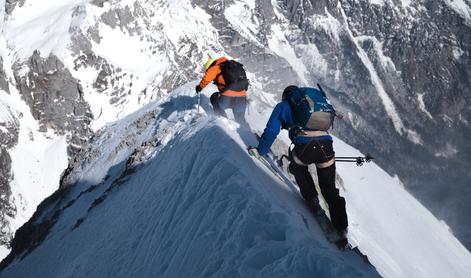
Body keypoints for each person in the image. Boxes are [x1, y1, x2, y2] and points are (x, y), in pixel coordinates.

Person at [248, 85, 348, 239]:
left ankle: (312, 200)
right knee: (330, 190)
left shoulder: (283, 106)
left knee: (297, 167)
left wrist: (260, 151)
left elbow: (271, 131)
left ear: (285, 96)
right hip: (326, 145)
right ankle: (342, 228)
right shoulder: (311, 104)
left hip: (305, 146)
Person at [195, 57, 249, 126]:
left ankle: (222, 120)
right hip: (242, 97)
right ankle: (248, 134)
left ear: (209, 66)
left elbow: (207, 78)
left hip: (228, 97)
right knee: (240, 119)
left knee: (214, 97)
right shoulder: (235, 67)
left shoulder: (216, 68)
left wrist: (199, 87)